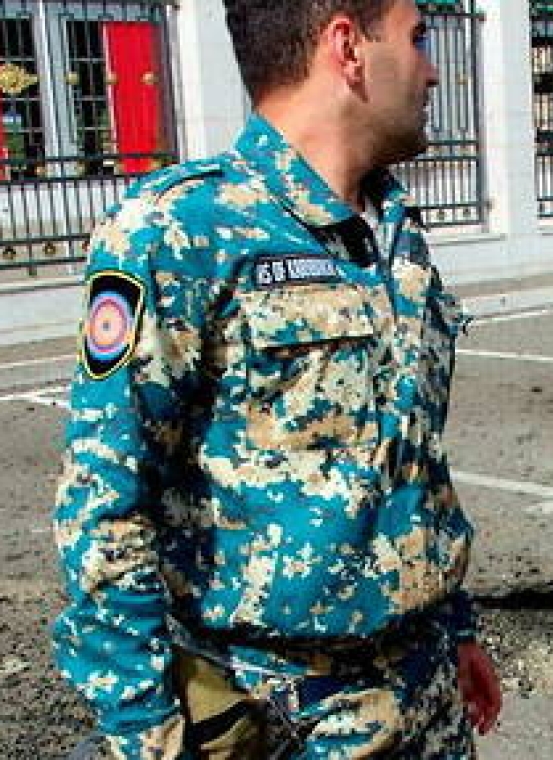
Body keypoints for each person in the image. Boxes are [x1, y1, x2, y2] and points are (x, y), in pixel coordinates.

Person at [51, 0, 501, 757]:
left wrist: (454, 628)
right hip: (285, 713)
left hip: (424, 692)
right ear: (347, 46)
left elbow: (411, 453)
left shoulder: (391, 232)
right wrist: (148, 731)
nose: (432, 70)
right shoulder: (182, 229)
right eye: (417, 37)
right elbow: (103, 504)